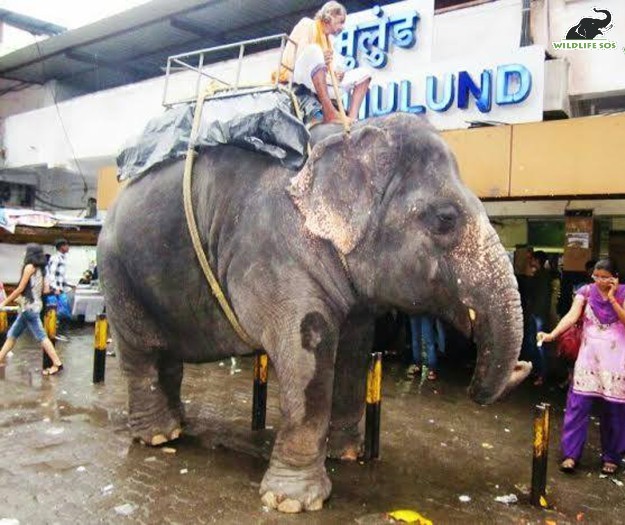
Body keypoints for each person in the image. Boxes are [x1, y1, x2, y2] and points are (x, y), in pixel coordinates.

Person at [538, 258, 625, 475]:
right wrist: (552, 334)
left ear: (615, 278)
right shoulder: (585, 292)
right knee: (577, 407)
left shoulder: (623, 293)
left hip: (615, 364)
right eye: (596, 277)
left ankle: (611, 456)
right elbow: (571, 316)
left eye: (605, 277)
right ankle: (570, 455)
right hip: (588, 361)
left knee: (614, 410)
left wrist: (613, 299)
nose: (599, 281)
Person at [277, 1, 371, 124]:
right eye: (340, 22)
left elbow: (329, 69)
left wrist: (338, 75)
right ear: (329, 16)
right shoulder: (307, 24)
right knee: (314, 50)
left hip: (317, 82)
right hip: (294, 75)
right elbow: (302, 54)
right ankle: (329, 112)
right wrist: (321, 56)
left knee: (365, 74)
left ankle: (352, 119)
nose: (342, 27)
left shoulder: (329, 41)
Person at [0, 243, 64, 375]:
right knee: (12, 335)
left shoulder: (29, 267)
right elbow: (46, 290)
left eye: (26, 251)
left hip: (29, 308)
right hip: (34, 306)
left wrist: (4, 302)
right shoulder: (43, 269)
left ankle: (57, 363)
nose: (24, 254)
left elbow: (20, 288)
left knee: (41, 337)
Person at [47, 238, 72, 341]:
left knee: (64, 312)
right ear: (62, 247)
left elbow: (61, 276)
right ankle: (56, 333)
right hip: (55, 291)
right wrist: (55, 288)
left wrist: (69, 284)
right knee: (59, 313)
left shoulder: (62, 259)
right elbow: (51, 274)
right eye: (67, 245)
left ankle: (61, 333)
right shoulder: (56, 258)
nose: (68, 247)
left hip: (60, 289)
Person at [406, 315, 445, 381]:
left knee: (428, 339)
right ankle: (417, 363)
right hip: (414, 311)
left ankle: (431, 367)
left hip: (424, 311)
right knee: (416, 339)